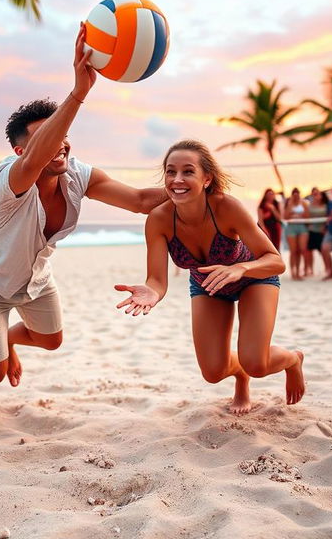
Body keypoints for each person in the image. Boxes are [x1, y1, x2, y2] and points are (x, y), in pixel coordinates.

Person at [0, 26, 167, 412]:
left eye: (62, 133)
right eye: (47, 137)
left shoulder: (77, 175)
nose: (61, 142)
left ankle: (7, 343)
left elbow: (139, 200)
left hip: (33, 280)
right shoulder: (10, 178)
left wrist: (199, 187)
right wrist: (79, 93)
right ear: (21, 150)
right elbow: (36, 158)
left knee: (51, 340)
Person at [114, 140, 304, 414]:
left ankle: (294, 360)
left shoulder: (227, 207)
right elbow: (157, 279)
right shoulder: (159, 219)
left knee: (257, 364)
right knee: (213, 372)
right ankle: (241, 378)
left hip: (254, 278)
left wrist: (241, 268)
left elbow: (275, 261)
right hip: (208, 286)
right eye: (171, 172)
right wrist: (152, 292)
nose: (177, 179)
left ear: (207, 179)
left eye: (188, 171)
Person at [283, 187, 309, 280]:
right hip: (291, 227)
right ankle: (293, 272)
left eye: (297, 195)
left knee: (301, 250)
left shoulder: (303, 203)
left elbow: (307, 216)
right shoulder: (289, 203)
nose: (296, 196)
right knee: (293, 251)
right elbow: (285, 217)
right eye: (294, 195)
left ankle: (299, 271)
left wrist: (298, 214)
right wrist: (291, 208)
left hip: (301, 227)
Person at [306, 187, 328, 277]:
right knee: (309, 251)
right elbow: (306, 217)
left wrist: (325, 228)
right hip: (311, 231)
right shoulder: (309, 205)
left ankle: (327, 268)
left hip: (322, 231)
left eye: (317, 193)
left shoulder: (325, 205)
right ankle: (310, 269)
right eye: (314, 194)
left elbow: (328, 217)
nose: (316, 195)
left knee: (323, 251)